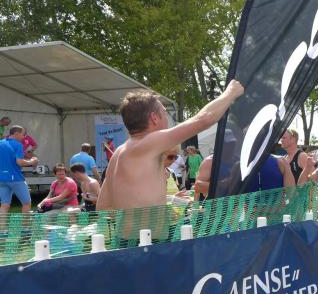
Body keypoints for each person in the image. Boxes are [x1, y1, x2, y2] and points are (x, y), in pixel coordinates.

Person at [97, 80, 243, 211]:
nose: (167, 119)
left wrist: (164, 203)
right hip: (150, 234)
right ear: (154, 118)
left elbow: (103, 206)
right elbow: (204, 119)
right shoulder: (149, 142)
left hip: (126, 233)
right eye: (165, 113)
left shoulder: (118, 154)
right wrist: (231, 92)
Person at [0, 126, 39, 219]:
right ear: (16, 133)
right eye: (23, 134)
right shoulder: (18, 145)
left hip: (1, 179)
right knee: (26, 203)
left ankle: (2, 228)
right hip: (15, 178)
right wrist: (32, 161)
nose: (24, 137)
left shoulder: (1, 143)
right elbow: (20, 162)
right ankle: (26, 227)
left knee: (4, 205)